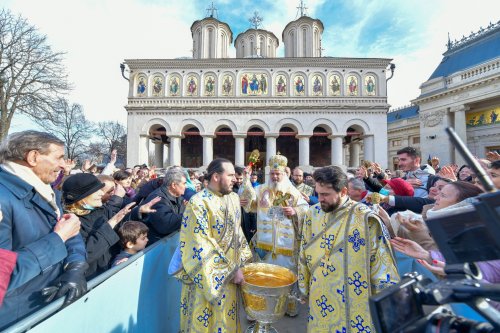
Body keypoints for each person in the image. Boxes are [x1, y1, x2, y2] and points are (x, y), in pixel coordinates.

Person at [0, 131, 87, 329]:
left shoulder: (48, 192)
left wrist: (75, 266)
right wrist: (58, 239)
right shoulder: (3, 197)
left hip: (44, 308)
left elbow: (70, 231)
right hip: (15, 318)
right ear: (33, 157)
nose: (64, 165)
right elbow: (3, 276)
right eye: (59, 158)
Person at [298, 166, 399, 332]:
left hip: (354, 295)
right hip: (320, 292)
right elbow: (304, 250)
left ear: (344, 191)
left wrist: (386, 304)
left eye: (325, 194)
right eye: (318, 193)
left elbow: (382, 263)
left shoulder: (365, 218)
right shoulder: (312, 213)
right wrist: (304, 286)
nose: (320, 198)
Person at [178, 158, 252, 332]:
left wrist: (245, 262)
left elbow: (237, 232)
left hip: (233, 274)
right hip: (207, 276)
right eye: (231, 175)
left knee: (228, 319)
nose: (235, 179)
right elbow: (199, 242)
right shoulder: (198, 202)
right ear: (216, 176)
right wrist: (230, 271)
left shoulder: (234, 198)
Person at [241, 154, 309, 316]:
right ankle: (261, 308)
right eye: (272, 173)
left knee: (287, 276)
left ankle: (288, 307)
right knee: (263, 275)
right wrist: (246, 184)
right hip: (265, 244)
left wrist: (295, 211)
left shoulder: (292, 192)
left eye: (278, 174)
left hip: (286, 244)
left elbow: (306, 210)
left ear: (285, 174)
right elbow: (250, 202)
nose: (275, 176)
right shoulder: (261, 189)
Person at [141, 167, 187, 245]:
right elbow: (165, 224)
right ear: (174, 185)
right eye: (184, 183)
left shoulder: (177, 197)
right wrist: (189, 215)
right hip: (158, 247)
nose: (186, 186)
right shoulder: (157, 198)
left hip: (170, 243)